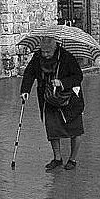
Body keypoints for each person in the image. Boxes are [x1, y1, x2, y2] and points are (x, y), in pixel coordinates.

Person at [20, 36, 84, 171]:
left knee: (75, 130)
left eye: (48, 52)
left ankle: (72, 159)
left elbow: (78, 77)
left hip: (69, 100)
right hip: (48, 98)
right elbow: (29, 73)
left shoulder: (67, 57)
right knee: (52, 129)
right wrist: (25, 90)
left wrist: (62, 82)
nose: (45, 54)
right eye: (43, 51)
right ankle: (57, 158)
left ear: (55, 48)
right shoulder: (38, 57)